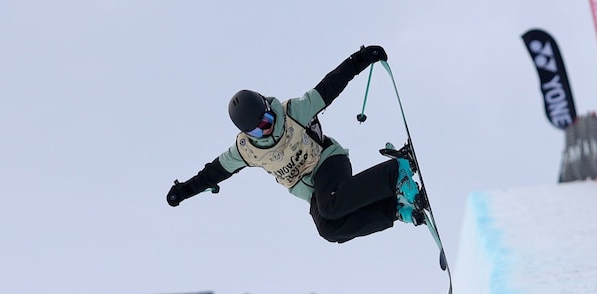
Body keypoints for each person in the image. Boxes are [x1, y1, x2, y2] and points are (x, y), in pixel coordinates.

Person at [166, 45, 423, 243]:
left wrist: (362, 58)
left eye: (266, 119)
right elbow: (211, 174)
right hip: (313, 190)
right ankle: (395, 209)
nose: (266, 128)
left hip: (328, 161)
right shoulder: (245, 151)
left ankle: (396, 173)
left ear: (268, 108)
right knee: (329, 230)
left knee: (330, 205)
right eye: (257, 129)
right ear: (247, 133)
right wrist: (184, 191)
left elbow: (331, 85)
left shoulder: (293, 113)